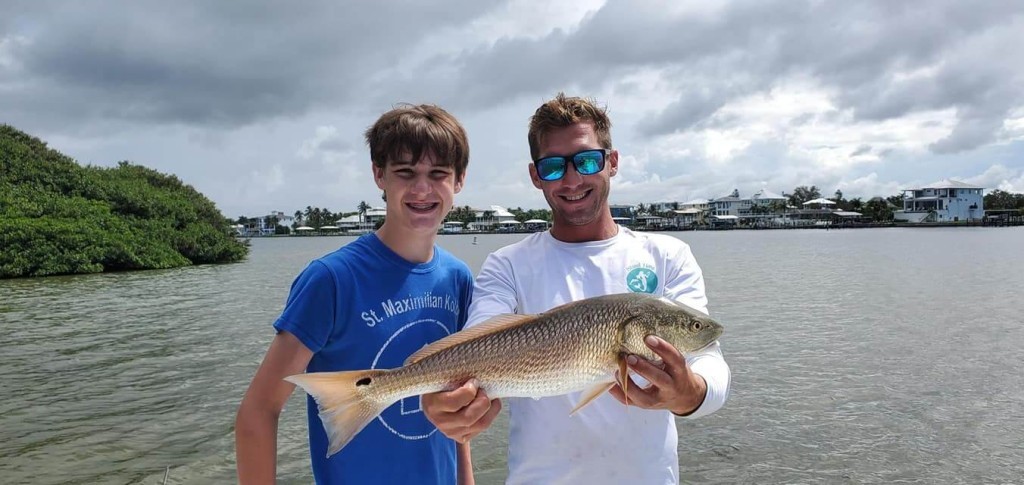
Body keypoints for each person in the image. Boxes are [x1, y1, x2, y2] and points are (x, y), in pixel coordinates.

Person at [422, 93, 731, 484]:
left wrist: (690, 393)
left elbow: (710, 363)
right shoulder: (508, 265)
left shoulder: (668, 255)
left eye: (587, 161)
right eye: (553, 167)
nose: (571, 180)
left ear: (612, 162)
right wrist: (452, 404)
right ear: (536, 176)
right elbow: (480, 341)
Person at [235, 104, 476, 484]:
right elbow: (258, 411)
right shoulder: (330, 279)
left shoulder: (458, 278)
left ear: (459, 180)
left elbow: (457, 402)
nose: (422, 189)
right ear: (379, 175)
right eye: (405, 172)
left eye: (438, 173)